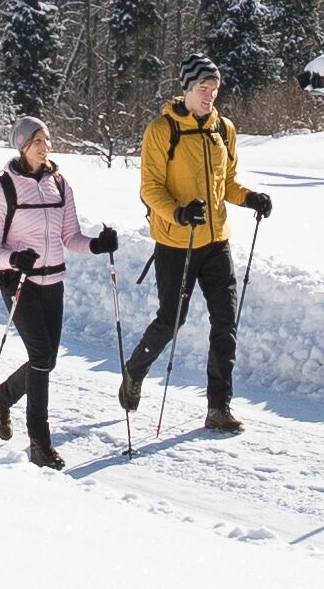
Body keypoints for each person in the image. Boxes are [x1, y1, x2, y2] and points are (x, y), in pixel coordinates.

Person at [118, 57, 277, 430]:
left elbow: (227, 184)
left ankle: (218, 408)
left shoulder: (224, 129)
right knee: (172, 320)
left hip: (216, 240)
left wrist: (251, 197)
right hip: (175, 242)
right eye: (203, 89)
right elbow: (150, 188)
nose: (210, 96)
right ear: (186, 89)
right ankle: (134, 370)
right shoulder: (161, 131)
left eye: (214, 90)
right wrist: (178, 213)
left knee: (226, 323)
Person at [0, 116, 112, 470]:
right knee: (40, 357)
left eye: (47, 139)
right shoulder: (3, 189)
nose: (45, 146)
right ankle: (40, 443)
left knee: (46, 359)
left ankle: (0, 398)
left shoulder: (60, 184)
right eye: (37, 141)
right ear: (22, 145)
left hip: (55, 282)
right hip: (21, 284)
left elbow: (70, 238)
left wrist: (97, 244)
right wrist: (13, 258)